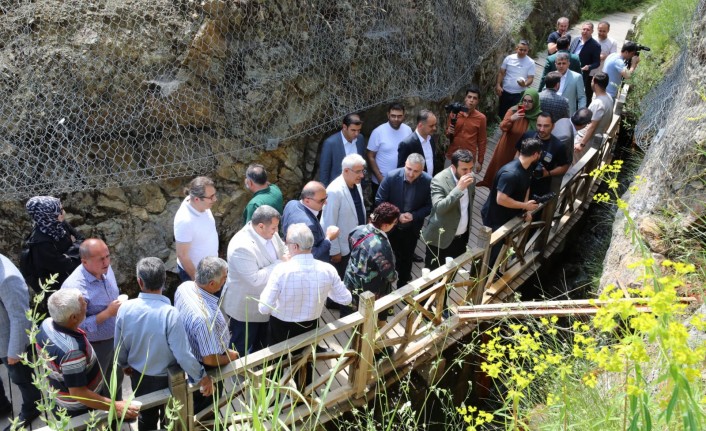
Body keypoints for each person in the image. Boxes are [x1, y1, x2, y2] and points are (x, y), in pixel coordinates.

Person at [115, 257, 213, 431]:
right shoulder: (170, 314)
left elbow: (119, 345)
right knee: (171, 418)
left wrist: (124, 364)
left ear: (139, 281)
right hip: (169, 379)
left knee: (146, 416)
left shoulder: (125, 309)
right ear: (164, 281)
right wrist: (201, 377)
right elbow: (183, 354)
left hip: (140, 376)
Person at [36, 288, 139, 419]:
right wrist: (116, 406)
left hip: (59, 398)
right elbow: (79, 393)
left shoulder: (46, 324)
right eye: (83, 302)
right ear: (73, 317)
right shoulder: (72, 352)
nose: (86, 303)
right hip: (81, 410)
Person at [258, 223, 352, 345]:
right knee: (306, 360)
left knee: (279, 363)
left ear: (295, 246)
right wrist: (325, 290)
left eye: (287, 243)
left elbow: (264, 308)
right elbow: (346, 299)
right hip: (311, 325)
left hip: (281, 327)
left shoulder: (281, 271)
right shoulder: (328, 270)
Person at [61, 238, 124, 401]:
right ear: (85, 262)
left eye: (108, 256)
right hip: (95, 345)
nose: (106, 262)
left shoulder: (106, 269)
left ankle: (119, 409)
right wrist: (107, 313)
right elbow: (75, 326)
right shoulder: (74, 289)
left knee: (116, 375)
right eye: (101, 259)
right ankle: (105, 418)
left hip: (115, 336)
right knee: (97, 383)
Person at [174, 257, 238, 412]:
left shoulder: (185, 287)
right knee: (207, 409)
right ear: (212, 284)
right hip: (205, 368)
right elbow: (209, 359)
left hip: (189, 353)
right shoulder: (205, 318)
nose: (225, 280)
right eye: (224, 278)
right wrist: (230, 356)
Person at [222, 205, 287, 355]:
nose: (277, 231)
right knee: (240, 347)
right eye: (274, 228)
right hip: (246, 308)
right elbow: (255, 279)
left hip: (266, 305)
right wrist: (280, 263)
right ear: (261, 226)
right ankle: (235, 377)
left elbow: (283, 249)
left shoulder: (270, 233)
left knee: (261, 345)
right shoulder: (241, 246)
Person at [481, 138, 543, 266]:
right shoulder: (511, 174)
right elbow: (501, 199)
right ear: (536, 154)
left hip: (508, 217)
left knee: (500, 251)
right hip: (495, 218)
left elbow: (527, 186)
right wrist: (525, 205)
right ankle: (482, 282)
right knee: (490, 254)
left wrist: (525, 210)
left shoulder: (528, 167)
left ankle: (494, 274)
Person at [375, 153, 432, 287]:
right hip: (389, 228)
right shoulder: (391, 177)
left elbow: (430, 206)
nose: (411, 174)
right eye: (409, 169)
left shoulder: (428, 181)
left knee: (407, 258)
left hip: (411, 228)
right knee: (384, 258)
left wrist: (414, 215)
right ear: (405, 164)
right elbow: (379, 200)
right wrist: (397, 215)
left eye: (416, 171)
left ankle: (403, 283)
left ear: (422, 170)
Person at [0, 254, 41, 431]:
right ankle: (2, 406)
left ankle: (32, 409)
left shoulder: (8, 278)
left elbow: (20, 318)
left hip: (10, 342)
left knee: (22, 379)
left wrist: (14, 352)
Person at [343, 202, 400, 321]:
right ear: (384, 225)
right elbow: (389, 274)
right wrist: (395, 276)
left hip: (351, 281)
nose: (395, 225)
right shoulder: (381, 246)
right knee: (370, 320)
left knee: (353, 318)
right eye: (394, 223)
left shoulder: (357, 230)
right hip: (370, 290)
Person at [422, 150, 475, 273]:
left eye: (470, 169)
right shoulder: (438, 180)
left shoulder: (471, 179)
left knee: (451, 276)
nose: (469, 173)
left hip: (461, 239)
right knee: (430, 277)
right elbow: (439, 208)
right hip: (440, 240)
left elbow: (468, 205)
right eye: (464, 170)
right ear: (453, 167)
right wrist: (459, 189)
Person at [479, 89, 541, 188]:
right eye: (524, 100)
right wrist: (512, 119)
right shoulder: (514, 110)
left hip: (524, 152)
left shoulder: (538, 117)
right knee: (500, 171)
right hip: (507, 148)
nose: (526, 104)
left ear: (536, 102)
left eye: (530, 101)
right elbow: (503, 127)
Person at [24, 196, 83, 292]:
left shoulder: (59, 224)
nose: (63, 212)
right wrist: (76, 248)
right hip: (58, 288)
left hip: (72, 277)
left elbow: (81, 239)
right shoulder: (40, 242)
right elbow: (62, 265)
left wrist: (67, 254)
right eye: (60, 210)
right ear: (48, 214)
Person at [322, 154, 367, 279]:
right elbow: (328, 222)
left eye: (362, 171)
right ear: (346, 171)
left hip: (357, 244)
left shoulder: (356, 184)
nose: (362, 175)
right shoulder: (334, 191)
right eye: (358, 172)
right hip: (343, 249)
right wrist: (335, 251)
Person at [173, 176, 219, 282]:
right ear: (197, 199)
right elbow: (182, 255)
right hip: (197, 274)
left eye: (214, 195)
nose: (215, 199)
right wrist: (197, 280)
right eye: (211, 197)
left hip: (211, 269)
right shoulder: (185, 220)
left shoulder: (202, 205)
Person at [513, 113, 570, 196]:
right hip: (519, 180)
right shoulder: (528, 135)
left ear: (553, 126)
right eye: (539, 125)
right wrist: (516, 168)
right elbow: (518, 152)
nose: (542, 129)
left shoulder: (558, 146)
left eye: (546, 126)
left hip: (539, 187)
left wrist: (548, 173)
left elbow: (564, 166)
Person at [281, 181, 339, 262]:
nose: (326, 202)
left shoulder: (291, 204)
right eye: (321, 200)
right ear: (307, 200)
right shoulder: (309, 226)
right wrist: (328, 238)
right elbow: (312, 256)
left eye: (326, 197)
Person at [367, 103, 413, 200]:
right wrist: (379, 177)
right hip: (381, 181)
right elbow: (370, 156)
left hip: (402, 181)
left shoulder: (408, 130)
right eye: (393, 116)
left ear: (404, 116)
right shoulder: (378, 132)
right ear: (388, 115)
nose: (396, 119)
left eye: (399, 116)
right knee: (380, 211)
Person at [445, 86, 487, 172]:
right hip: (452, 154)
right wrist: (448, 132)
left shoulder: (481, 118)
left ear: (478, 101)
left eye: (474, 98)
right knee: (445, 182)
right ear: (465, 98)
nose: (471, 100)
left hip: (468, 159)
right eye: (469, 97)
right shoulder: (454, 112)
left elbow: (482, 141)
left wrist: (480, 161)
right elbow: (447, 134)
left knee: (464, 184)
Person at [574, 73, 614, 162]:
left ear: (595, 83)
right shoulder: (609, 97)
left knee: (574, 164)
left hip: (586, 140)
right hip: (596, 138)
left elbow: (592, 126)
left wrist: (581, 144)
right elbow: (610, 119)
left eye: (592, 80)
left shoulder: (598, 103)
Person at [319, 113, 366, 187]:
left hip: (357, 186)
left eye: (359, 130)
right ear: (344, 127)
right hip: (338, 188)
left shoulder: (360, 139)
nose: (356, 133)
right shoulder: (330, 143)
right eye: (353, 130)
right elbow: (324, 171)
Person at [495, 40, 535, 119]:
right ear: (517, 48)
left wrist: (525, 84)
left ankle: (514, 129)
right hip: (505, 91)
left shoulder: (531, 62)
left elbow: (531, 78)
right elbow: (501, 73)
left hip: (520, 94)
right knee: (502, 113)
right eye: (521, 49)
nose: (522, 52)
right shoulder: (509, 58)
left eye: (525, 50)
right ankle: (502, 128)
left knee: (518, 114)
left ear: (528, 51)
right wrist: (498, 85)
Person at [396, 110, 438, 176]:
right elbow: (401, 170)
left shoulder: (431, 139)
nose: (434, 128)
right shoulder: (407, 144)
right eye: (431, 126)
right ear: (420, 125)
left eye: (435, 125)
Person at [569, 22, 602, 104]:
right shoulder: (576, 40)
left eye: (588, 30)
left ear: (592, 31)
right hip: (568, 69)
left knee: (575, 93)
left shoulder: (595, 45)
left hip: (581, 73)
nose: (585, 31)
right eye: (584, 29)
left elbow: (597, 62)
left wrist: (589, 67)